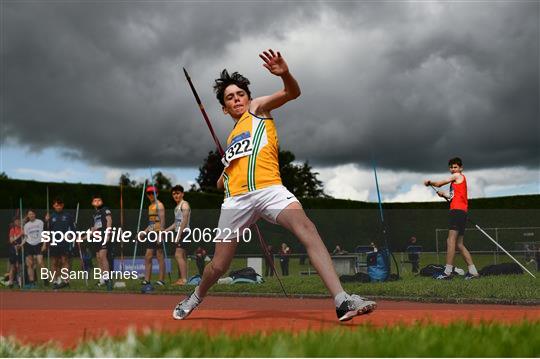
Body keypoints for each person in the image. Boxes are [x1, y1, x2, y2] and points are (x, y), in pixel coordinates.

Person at [173, 49, 376, 322]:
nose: (236, 99)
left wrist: (285, 74)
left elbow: (292, 93)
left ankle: (342, 300)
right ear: (224, 107)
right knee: (219, 265)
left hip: (270, 189)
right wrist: (225, 171)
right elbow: (223, 183)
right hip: (236, 201)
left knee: (307, 229)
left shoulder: (258, 109)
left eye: (240, 94)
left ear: (247, 96)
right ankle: (195, 296)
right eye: (230, 97)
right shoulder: (233, 137)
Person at [424, 157, 479, 280]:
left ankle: (447, 272)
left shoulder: (457, 176)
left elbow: (438, 183)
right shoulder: (455, 183)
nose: (453, 169)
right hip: (461, 212)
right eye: (451, 167)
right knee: (459, 244)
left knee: (450, 241)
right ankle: (473, 272)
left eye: (455, 167)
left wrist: (429, 182)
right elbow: (452, 198)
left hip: (457, 212)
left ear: (460, 168)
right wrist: (443, 195)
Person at [45, 198, 75, 289]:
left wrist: (71, 235)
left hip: (64, 241)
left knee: (64, 260)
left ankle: (65, 280)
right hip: (54, 242)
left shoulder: (68, 216)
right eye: (56, 205)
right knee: (55, 262)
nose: (58, 206)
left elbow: (73, 228)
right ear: (54, 206)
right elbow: (47, 230)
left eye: (60, 205)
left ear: (62, 205)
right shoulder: (51, 217)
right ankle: (55, 281)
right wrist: (46, 221)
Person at [164, 185, 191, 286]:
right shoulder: (177, 207)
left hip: (184, 232)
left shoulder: (184, 205)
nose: (176, 195)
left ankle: (183, 280)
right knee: (182, 256)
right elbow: (176, 223)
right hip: (180, 232)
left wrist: (179, 235)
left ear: (182, 194)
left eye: (178, 193)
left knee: (178, 255)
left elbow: (184, 221)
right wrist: (166, 231)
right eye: (174, 194)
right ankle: (182, 278)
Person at [141, 186, 166, 293]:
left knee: (159, 256)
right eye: (149, 194)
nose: (151, 195)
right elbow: (151, 223)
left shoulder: (159, 205)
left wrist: (161, 235)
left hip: (158, 233)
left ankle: (161, 280)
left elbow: (162, 221)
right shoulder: (150, 206)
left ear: (157, 194)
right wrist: (144, 232)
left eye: (153, 193)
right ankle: (147, 280)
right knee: (148, 256)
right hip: (151, 233)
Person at [89, 195, 113, 290]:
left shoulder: (105, 209)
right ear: (92, 203)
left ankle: (108, 280)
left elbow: (109, 221)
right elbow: (92, 229)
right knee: (98, 258)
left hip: (104, 236)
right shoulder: (94, 214)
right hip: (97, 238)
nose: (97, 202)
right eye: (95, 200)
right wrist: (82, 238)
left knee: (103, 256)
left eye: (99, 200)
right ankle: (102, 279)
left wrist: (108, 234)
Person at [23, 209, 45, 287]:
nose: (31, 215)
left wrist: (44, 244)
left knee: (40, 262)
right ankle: (32, 281)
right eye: (29, 214)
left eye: (32, 214)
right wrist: (21, 244)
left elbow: (43, 234)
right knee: (30, 264)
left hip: (38, 244)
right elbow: (26, 237)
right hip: (29, 245)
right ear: (28, 216)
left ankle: (45, 279)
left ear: (35, 214)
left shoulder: (40, 222)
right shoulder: (26, 225)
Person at [8, 218, 23, 288]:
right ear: (14, 222)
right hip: (13, 250)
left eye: (19, 221)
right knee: (13, 266)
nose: (18, 222)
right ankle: (10, 282)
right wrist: (20, 235)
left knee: (19, 266)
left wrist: (20, 245)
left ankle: (19, 282)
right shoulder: (12, 230)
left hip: (20, 249)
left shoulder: (23, 229)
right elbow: (11, 240)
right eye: (16, 221)